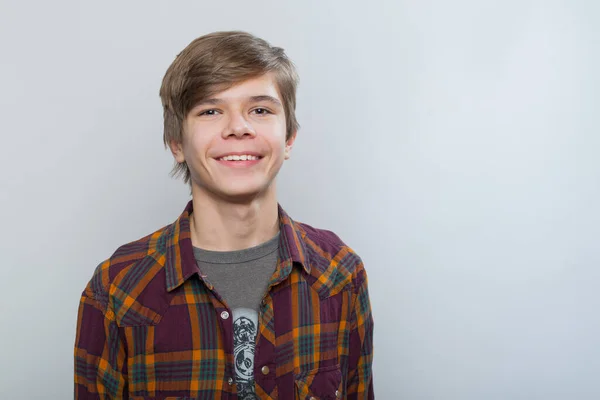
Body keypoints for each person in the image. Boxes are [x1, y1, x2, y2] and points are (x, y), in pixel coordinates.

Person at [74, 30, 374, 400]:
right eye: (210, 111)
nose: (238, 127)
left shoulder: (340, 274)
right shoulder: (117, 289)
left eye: (260, 110)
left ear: (290, 138)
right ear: (177, 143)